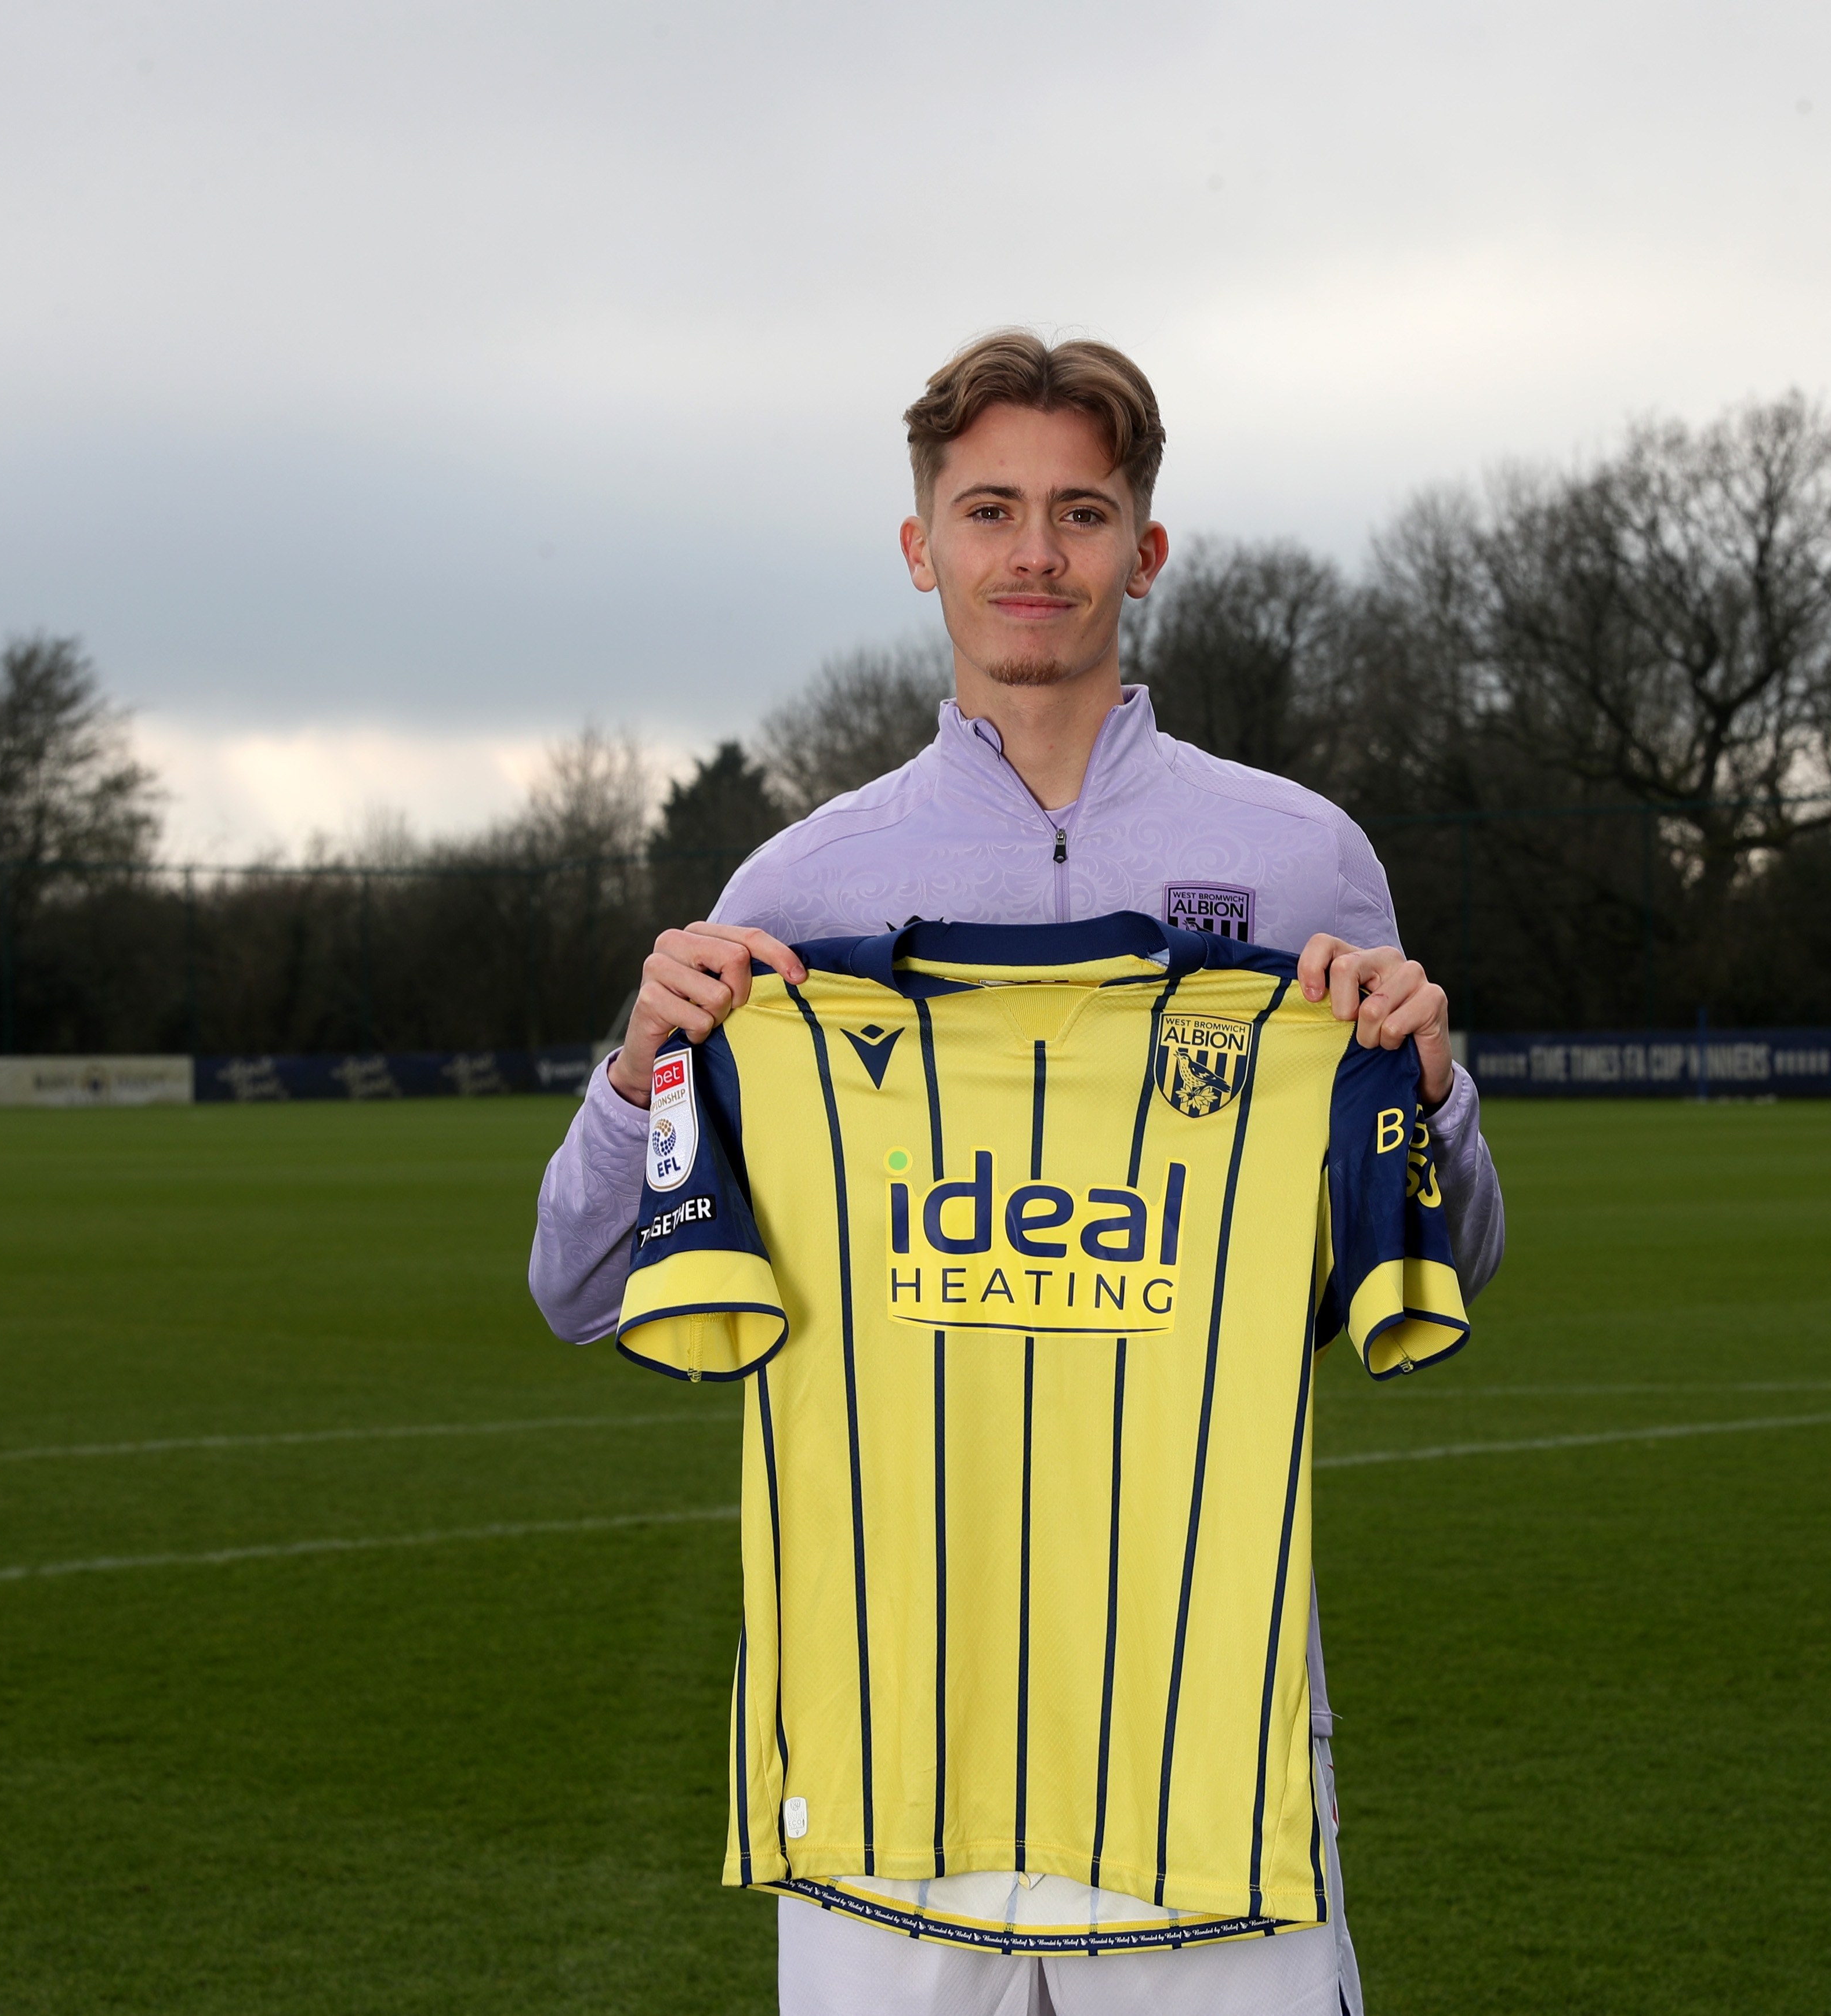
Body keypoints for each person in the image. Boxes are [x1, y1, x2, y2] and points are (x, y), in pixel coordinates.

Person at [529, 330, 1506, 2015]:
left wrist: (1432, 1081)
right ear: (924, 548)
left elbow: (1442, 1264)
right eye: (991, 510)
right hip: (881, 1704)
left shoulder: (1302, 859)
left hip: (1209, 1705)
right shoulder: (801, 889)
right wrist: (642, 1072)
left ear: (1148, 547)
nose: (1035, 554)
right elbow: (579, 1284)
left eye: (1082, 511)